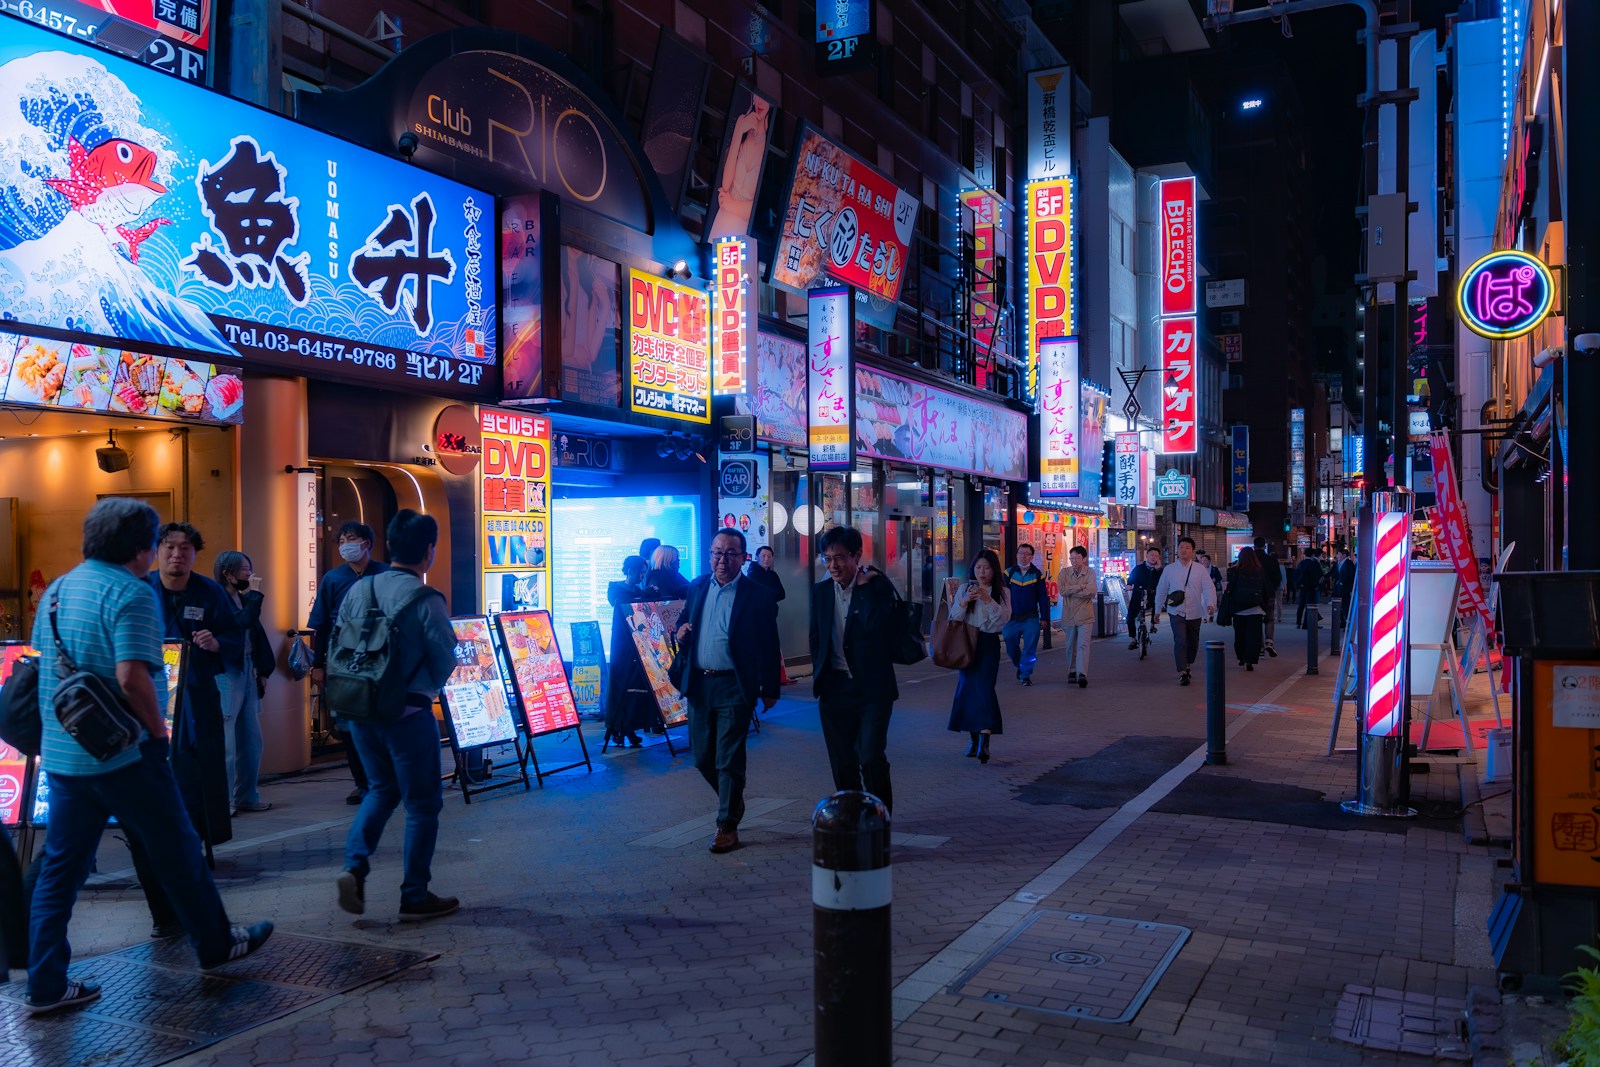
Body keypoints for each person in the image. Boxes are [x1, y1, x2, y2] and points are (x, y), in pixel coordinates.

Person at [26, 498, 272, 1015]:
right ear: (142, 548)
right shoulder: (131, 595)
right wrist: (156, 737)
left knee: (61, 873)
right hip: (125, 757)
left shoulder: (56, 591)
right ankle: (215, 942)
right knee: (179, 848)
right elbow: (132, 677)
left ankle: (46, 983)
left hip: (65, 758)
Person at [335, 509, 460, 923]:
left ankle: (354, 865)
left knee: (380, 790)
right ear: (429, 551)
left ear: (387, 547)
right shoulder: (426, 599)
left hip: (361, 709)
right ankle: (414, 894)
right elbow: (444, 656)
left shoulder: (359, 588)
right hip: (408, 715)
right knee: (422, 805)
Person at [671, 530, 781, 854]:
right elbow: (681, 622)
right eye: (717, 553)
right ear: (709, 555)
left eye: (730, 553)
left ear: (743, 558)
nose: (722, 559)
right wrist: (680, 632)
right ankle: (732, 800)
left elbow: (770, 644)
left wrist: (770, 688)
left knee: (728, 758)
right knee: (703, 757)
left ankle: (726, 826)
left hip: (735, 684)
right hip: (700, 684)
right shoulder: (697, 587)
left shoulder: (757, 595)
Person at [146, 523, 240, 852]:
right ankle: (155, 842)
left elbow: (234, 636)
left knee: (199, 769)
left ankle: (197, 841)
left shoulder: (209, 591)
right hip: (148, 700)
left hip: (198, 696)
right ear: (156, 552)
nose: (176, 554)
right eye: (169, 547)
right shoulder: (141, 589)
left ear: (195, 554)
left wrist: (216, 643)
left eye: (185, 548)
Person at [809, 526, 901, 811]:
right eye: (827, 559)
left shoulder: (877, 585)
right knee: (842, 760)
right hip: (835, 689)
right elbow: (816, 636)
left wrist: (862, 591)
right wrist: (820, 673)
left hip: (872, 688)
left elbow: (879, 627)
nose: (833, 565)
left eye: (839, 557)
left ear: (857, 555)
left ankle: (880, 815)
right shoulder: (821, 591)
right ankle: (852, 815)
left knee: (871, 755)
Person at [308, 521, 390, 804]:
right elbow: (319, 625)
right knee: (350, 724)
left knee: (382, 721)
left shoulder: (387, 574)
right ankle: (362, 782)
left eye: (351, 538)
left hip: (382, 660)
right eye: (341, 539)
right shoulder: (333, 579)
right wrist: (317, 664)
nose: (345, 544)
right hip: (344, 662)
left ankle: (385, 778)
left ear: (367, 543)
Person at [214, 550, 274, 814]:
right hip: (227, 673)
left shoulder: (242, 598)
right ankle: (224, 800)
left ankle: (247, 796)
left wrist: (262, 669)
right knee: (227, 740)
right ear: (227, 573)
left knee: (251, 739)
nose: (249, 574)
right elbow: (240, 624)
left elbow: (255, 633)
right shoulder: (218, 599)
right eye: (244, 570)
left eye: (249, 569)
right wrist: (256, 596)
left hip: (248, 670)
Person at [946, 550, 1010, 764]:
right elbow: (953, 618)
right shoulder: (965, 588)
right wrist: (964, 602)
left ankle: (985, 740)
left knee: (984, 688)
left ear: (994, 570)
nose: (982, 572)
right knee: (966, 690)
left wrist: (988, 599)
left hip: (988, 644)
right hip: (967, 643)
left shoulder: (1002, 592)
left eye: (987, 568)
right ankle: (974, 740)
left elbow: (1003, 620)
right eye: (978, 567)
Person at [604, 555, 654, 747]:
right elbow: (625, 604)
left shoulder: (637, 590)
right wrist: (645, 596)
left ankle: (629, 727)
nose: (642, 575)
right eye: (639, 571)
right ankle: (618, 727)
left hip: (638, 642)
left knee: (635, 685)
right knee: (621, 684)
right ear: (629, 570)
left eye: (644, 572)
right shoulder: (616, 589)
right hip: (622, 644)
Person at [1154, 537, 1218, 686]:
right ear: (1177, 550)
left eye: (1187, 547)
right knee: (1180, 640)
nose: (1183, 550)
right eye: (1181, 547)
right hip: (1176, 611)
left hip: (1195, 610)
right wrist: (1157, 610)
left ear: (1193, 551)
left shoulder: (1199, 569)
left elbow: (1209, 587)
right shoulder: (1169, 569)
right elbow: (1161, 590)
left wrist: (1210, 603)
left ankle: (1188, 663)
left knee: (1193, 641)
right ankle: (1182, 671)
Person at [1002, 543, 1045, 686]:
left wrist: (1045, 617)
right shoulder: (1008, 573)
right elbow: (1002, 595)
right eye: (1021, 553)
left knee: (1030, 647)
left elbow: (1043, 597)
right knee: (1010, 645)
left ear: (1032, 556)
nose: (1023, 556)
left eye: (1027, 554)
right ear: (1016, 555)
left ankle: (1026, 674)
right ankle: (1020, 665)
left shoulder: (1037, 574)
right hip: (1011, 619)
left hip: (1030, 618)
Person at [1057, 546, 1097, 688]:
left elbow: (1092, 591)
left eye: (1077, 558)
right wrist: (1081, 587)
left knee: (1083, 645)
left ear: (1084, 559)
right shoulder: (1064, 572)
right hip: (1068, 615)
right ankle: (1072, 670)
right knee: (1070, 646)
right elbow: (1062, 590)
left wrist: (1072, 589)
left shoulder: (1090, 572)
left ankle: (1082, 674)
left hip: (1085, 615)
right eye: (1071, 558)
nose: (1073, 560)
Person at [1227, 548, 1268, 670]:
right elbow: (1265, 589)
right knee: (1253, 636)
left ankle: (1241, 657)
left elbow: (1231, 587)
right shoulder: (1259, 570)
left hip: (1239, 609)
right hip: (1255, 609)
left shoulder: (1235, 570)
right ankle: (1250, 661)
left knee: (1240, 635)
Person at [1125, 547, 1164, 649]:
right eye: (1152, 555)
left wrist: (1157, 570)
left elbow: (1163, 582)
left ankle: (1152, 625)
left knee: (1157, 603)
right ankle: (1133, 639)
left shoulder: (1160, 570)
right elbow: (1131, 579)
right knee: (1130, 617)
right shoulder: (1139, 568)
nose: (1153, 557)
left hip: (1152, 594)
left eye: (1156, 556)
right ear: (1147, 556)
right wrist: (1129, 585)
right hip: (1138, 594)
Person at [1254, 537, 1283, 658]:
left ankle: (1259, 647)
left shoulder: (1251, 559)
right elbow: (1278, 577)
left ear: (1254, 546)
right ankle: (1269, 642)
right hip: (1269, 593)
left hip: (1254, 594)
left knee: (1256, 620)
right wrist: (1273, 586)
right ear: (1264, 546)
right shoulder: (1271, 560)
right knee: (1269, 619)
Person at [1294, 547, 1324, 628]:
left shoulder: (1301, 563)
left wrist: (1298, 584)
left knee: (1301, 605)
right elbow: (1317, 576)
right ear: (1312, 554)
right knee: (1309, 605)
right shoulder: (1313, 564)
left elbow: (1296, 575)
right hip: (1311, 587)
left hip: (1302, 587)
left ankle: (1298, 622)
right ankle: (1305, 623)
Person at [1333, 546, 1357, 621]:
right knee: (1341, 605)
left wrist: (1341, 583)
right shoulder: (1339, 563)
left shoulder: (1348, 563)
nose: (1337, 556)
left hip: (1345, 588)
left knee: (1345, 605)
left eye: (1339, 554)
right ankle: (1342, 621)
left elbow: (1348, 575)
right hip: (1340, 588)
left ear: (1344, 555)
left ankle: (1347, 620)